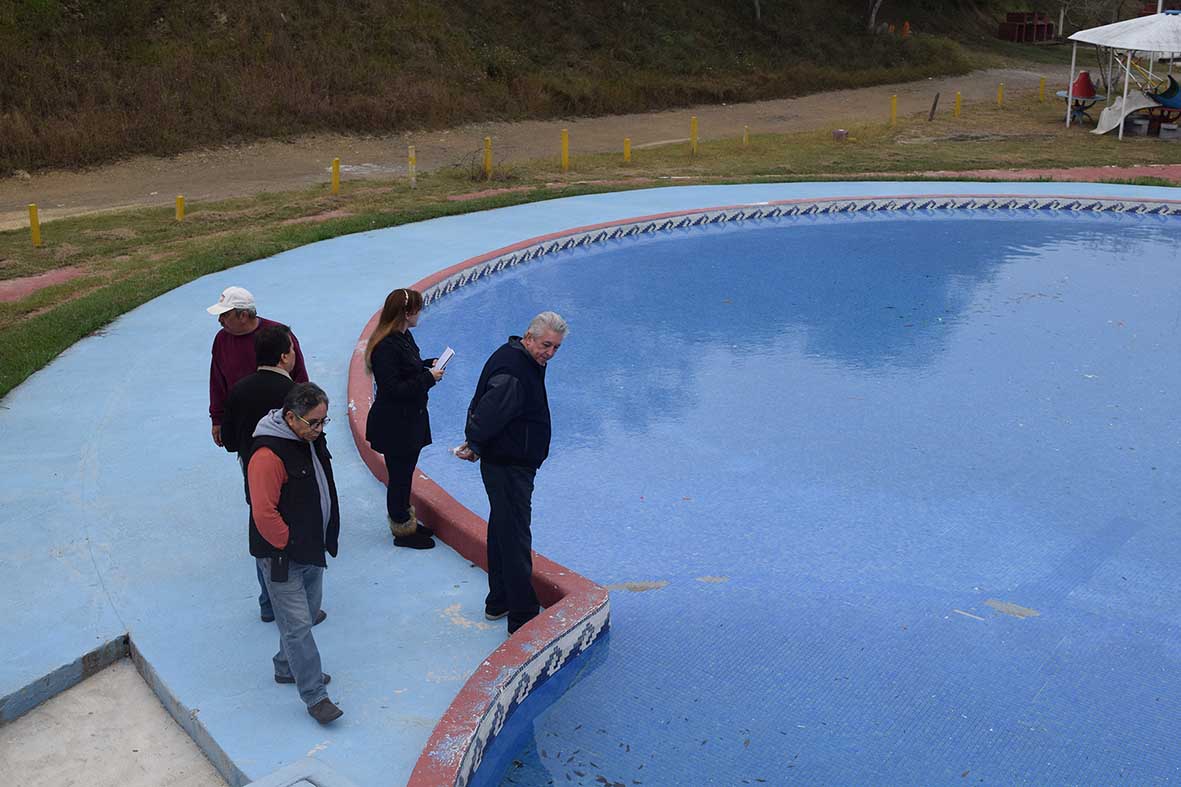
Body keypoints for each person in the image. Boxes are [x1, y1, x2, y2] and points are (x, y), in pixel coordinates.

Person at [455, 312, 567, 635]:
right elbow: (488, 414)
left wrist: (478, 443)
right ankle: (523, 616)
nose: (550, 353)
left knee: (502, 528)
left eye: (556, 347)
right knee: (515, 534)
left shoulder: (521, 359)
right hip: (509, 466)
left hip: (507, 462)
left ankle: (499, 600)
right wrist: (475, 443)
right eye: (546, 345)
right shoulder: (515, 371)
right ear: (529, 338)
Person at [248, 382, 343, 725]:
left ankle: (285, 666)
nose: (319, 429)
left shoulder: (310, 439)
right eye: (313, 422)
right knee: (299, 626)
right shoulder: (267, 456)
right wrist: (291, 543)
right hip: (283, 556)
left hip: (311, 549)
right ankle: (315, 696)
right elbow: (264, 514)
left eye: (323, 421)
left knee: (308, 612)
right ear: (290, 417)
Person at [223, 323, 328, 624]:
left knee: (261, 529)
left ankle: (267, 603)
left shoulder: (239, 390)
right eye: (293, 350)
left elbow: (229, 441)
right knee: (291, 541)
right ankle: (300, 608)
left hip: (251, 470)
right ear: (284, 356)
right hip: (295, 477)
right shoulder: (296, 396)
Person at [364, 288, 444, 550]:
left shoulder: (403, 336)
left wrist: (426, 364)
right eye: (418, 309)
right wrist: (428, 378)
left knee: (405, 474)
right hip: (395, 425)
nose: (421, 313)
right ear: (407, 313)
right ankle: (402, 530)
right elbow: (393, 388)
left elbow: (407, 366)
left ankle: (405, 519)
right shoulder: (386, 347)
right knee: (399, 477)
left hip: (409, 421)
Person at [207, 286, 308, 448]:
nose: (220, 320)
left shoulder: (278, 335)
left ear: (243, 315)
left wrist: (304, 415)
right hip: (244, 423)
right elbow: (217, 381)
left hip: (281, 424)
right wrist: (217, 419)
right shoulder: (221, 340)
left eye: (225, 314)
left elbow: (300, 376)